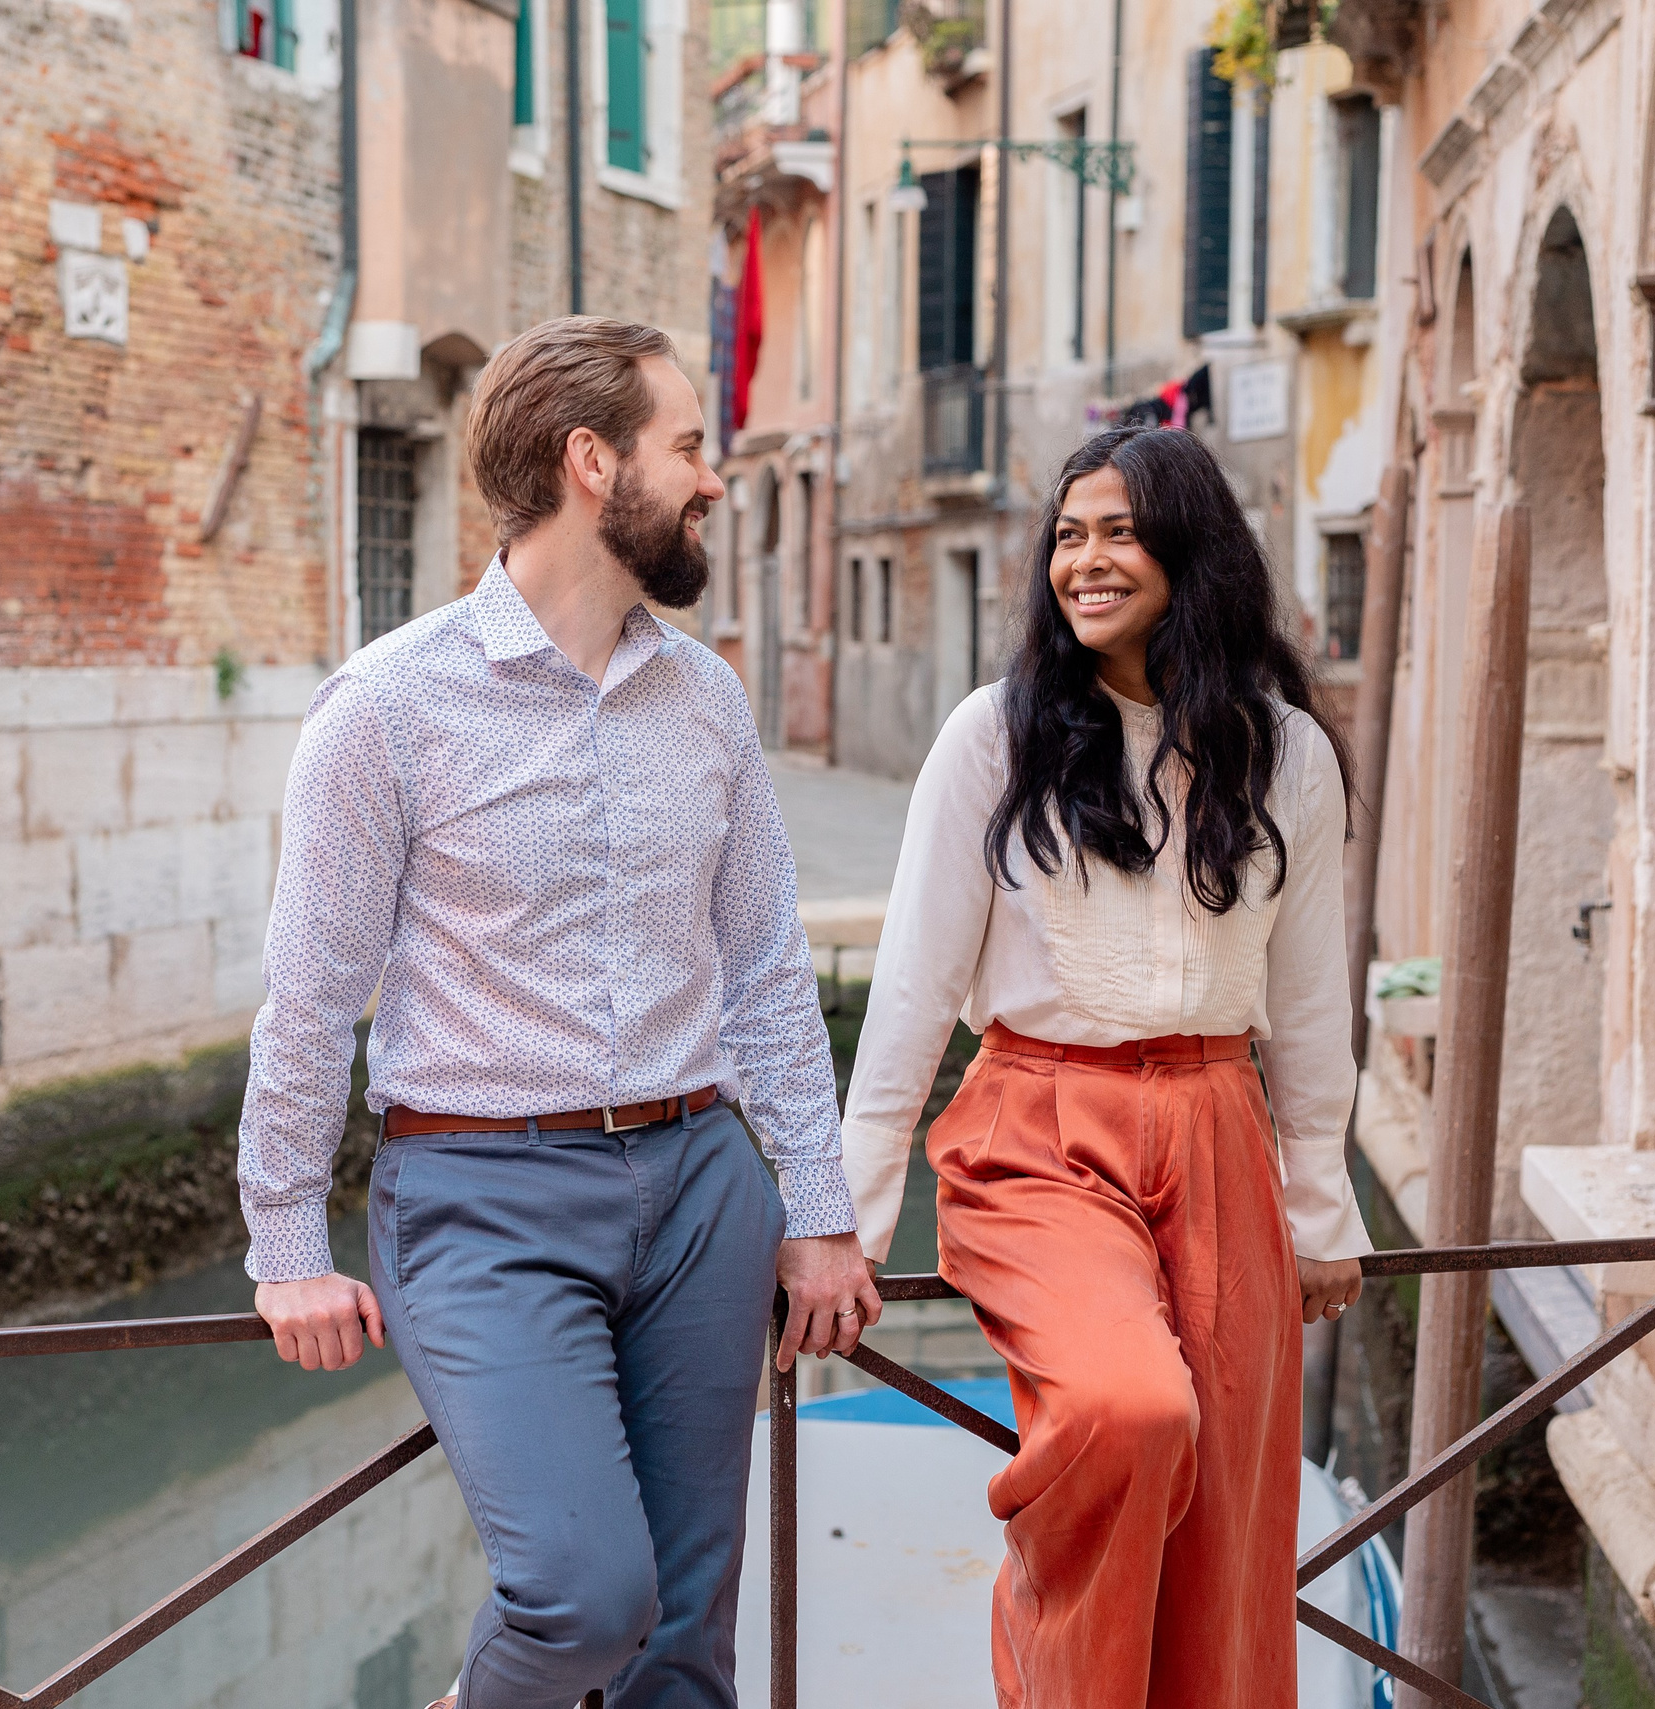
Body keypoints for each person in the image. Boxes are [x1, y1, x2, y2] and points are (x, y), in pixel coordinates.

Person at [236, 315, 882, 1709]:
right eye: (689, 447)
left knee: (686, 1641)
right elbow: (310, 999)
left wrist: (817, 1209)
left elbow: (767, 972)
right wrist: (285, 1239)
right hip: (480, 1197)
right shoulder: (386, 706)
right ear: (594, 462)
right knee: (584, 1597)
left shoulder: (707, 700)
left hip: (702, 1187)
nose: (712, 479)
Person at [839, 426, 1374, 1707]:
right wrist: (844, 1217)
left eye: (1119, 532)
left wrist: (1320, 1209)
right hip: (1038, 1130)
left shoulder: (1285, 753)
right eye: (1068, 535)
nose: (1085, 559)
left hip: (1219, 1127)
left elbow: (1309, 1000)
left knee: (1228, 1526)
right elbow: (912, 987)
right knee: (1127, 1409)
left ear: (1192, 553)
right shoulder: (994, 737)